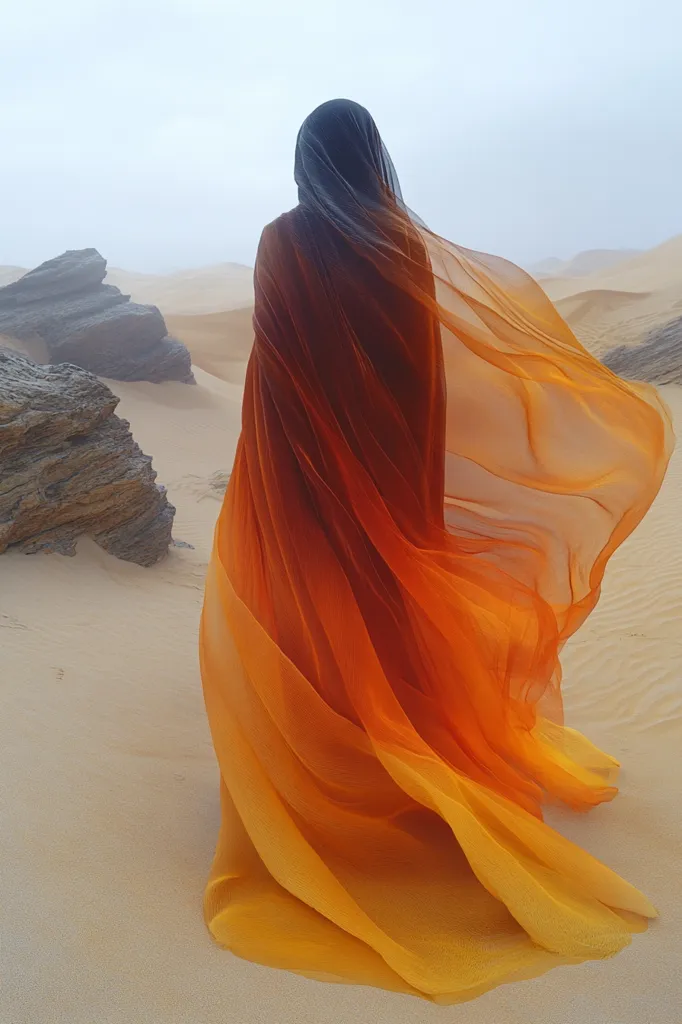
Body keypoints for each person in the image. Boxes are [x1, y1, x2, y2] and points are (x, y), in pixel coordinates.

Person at [199, 99, 673, 1004]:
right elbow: (416, 372)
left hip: (303, 478)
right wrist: (399, 478)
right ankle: (404, 772)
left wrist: (287, 479)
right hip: (393, 471)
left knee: (317, 626)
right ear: (373, 158)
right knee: (387, 621)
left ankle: (335, 778)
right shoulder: (400, 245)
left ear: (305, 162)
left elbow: (278, 370)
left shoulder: (284, 241)